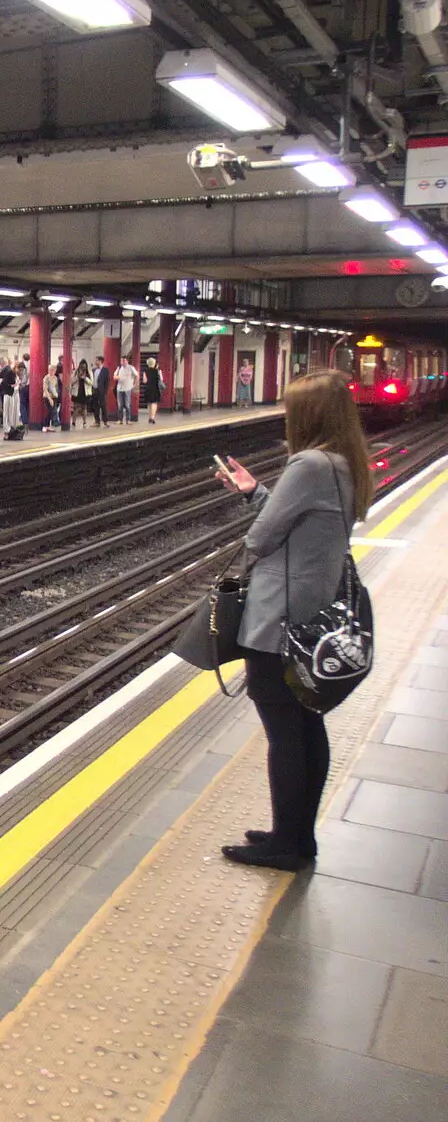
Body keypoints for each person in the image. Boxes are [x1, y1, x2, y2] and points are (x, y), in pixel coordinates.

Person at [214, 371, 372, 870]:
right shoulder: (344, 464)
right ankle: (299, 836)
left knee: (283, 732)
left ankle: (284, 845)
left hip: (277, 618)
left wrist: (260, 509)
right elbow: (300, 525)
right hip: (311, 617)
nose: (286, 415)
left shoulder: (307, 464)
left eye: (291, 409)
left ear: (309, 415)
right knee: (306, 724)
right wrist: (254, 489)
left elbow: (261, 538)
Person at [0, 357, 19, 438]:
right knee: (7, 412)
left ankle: (11, 430)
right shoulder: (9, 372)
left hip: (14, 395)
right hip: (8, 394)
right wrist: (12, 386)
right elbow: (3, 384)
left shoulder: (15, 374)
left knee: (12, 413)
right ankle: (7, 431)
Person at [115, 356, 139, 424]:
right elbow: (114, 376)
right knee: (120, 405)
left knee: (127, 405)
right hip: (119, 389)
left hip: (128, 388)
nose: (122, 362)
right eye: (121, 361)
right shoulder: (119, 368)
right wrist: (118, 377)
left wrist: (135, 384)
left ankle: (128, 420)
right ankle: (120, 420)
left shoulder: (131, 368)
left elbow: (136, 375)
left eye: (124, 361)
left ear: (127, 361)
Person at [72, 360, 93, 430]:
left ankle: (84, 422)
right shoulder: (75, 372)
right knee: (76, 407)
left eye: (84, 366)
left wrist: (85, 378)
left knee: (84, 408)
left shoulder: (89, 372)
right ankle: (73, 422)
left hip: (85, 392)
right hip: (77, 392)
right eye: (81, 366)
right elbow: (71, 381)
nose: (83, 368)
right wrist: (78, 377)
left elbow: (91, 383)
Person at [142, 358, 164, 424]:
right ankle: (153, 418)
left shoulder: (145, 371)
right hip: (155, 388)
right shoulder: (158, 371)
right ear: (154, 363)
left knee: (149, 403)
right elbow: (161, 380)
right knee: (154, 403)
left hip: (148, 388)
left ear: (147, 364)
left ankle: (149, 417)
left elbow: (144, 381)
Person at [41, 363, 61, 432]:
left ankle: (49, 426)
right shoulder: (46, 378)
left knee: (53, 411)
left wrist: (56, 395)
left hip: (54, 396)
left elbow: (56, 387)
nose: (52, 371)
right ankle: (45, 425)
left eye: (53, 370)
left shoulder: (55, 378)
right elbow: (45, 389)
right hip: (47, 397)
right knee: (49, 411)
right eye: (50, 370)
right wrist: (49, 399)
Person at [92, 357, 111, 428]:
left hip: (102, 391)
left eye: (96, 360)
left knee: (103, 406)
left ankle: (106, 421)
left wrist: (105, 391)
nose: (95, 361)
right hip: (94, 390)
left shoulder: (105, 370)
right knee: (95, 406)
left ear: (100, 361)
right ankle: (97, 421)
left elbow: (107, 381)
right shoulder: (93, 370)